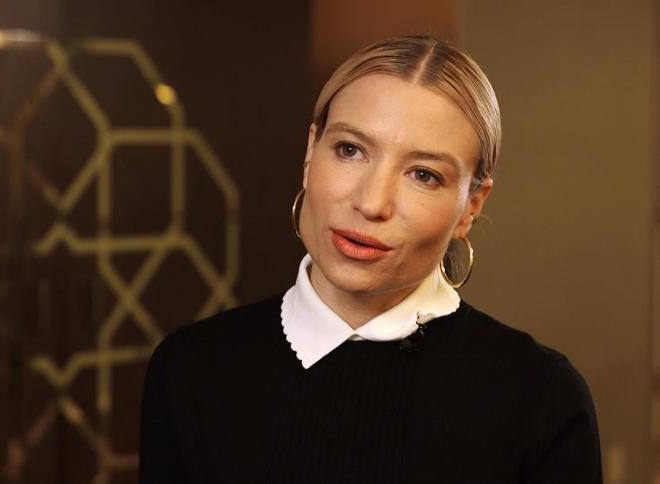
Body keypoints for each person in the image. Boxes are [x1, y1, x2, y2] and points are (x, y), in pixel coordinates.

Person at [138, 35, 602, 483]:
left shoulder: (542, 400)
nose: (372, 202)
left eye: (423, 175)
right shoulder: (191, 370)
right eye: (350, 150)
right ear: (310, 153)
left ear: (471, 207)